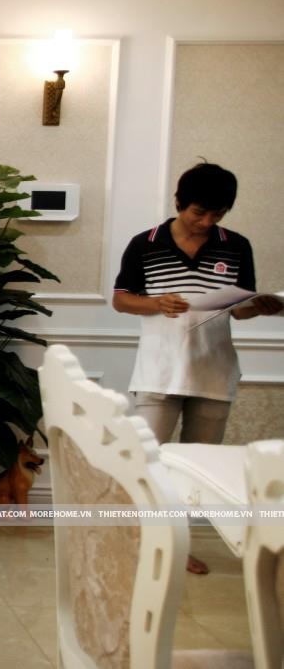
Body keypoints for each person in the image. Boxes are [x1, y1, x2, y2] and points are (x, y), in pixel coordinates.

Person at [113, 162, 282, 574]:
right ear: (179, 202)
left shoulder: (236, 245)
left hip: (214, 370)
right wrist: (155, 303)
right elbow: (121, 299)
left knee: (194, 469)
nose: (207, 222)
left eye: (217, 214)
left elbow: (238, 309)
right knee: (147, 462)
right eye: (199, 212)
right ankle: (139, 542)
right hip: (158, 371)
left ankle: (176, 546)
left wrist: (259, 307)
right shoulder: (145, 243)